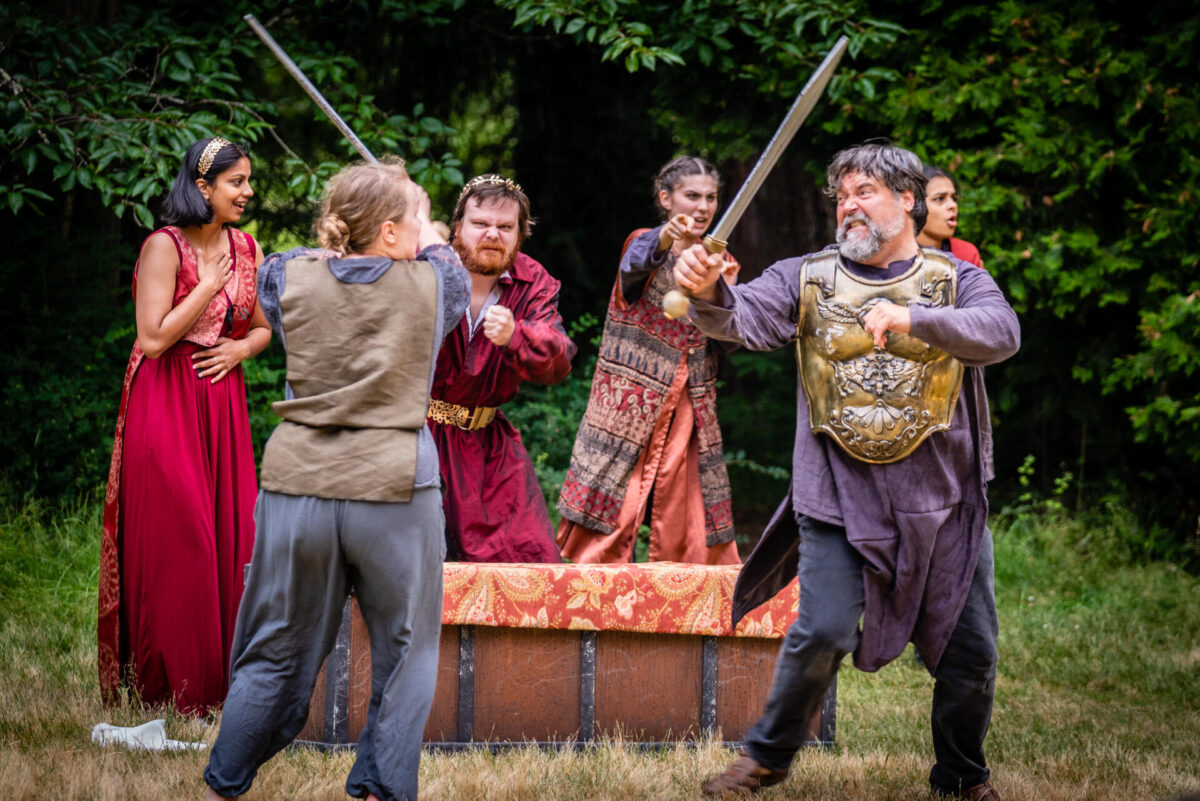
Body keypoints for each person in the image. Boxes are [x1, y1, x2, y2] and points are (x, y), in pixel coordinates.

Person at [675, 142, 1019, 800]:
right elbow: (743, 319)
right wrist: (707, 289)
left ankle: (961, 776)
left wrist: (916, 316)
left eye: (865, 191)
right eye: (842, 195)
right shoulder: (804, 277)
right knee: (824, 627)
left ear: (909, 200)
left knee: (972, 650)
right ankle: (768, 756)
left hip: (942, 499)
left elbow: (1002, 332)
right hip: (838, 495)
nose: (849, 205)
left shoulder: (956, 279)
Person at [203, 159, 469, 801]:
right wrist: (422, 219)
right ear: (387, 232)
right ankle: (379, 789)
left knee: (274, 650)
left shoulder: (287, 273)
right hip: (395, 490)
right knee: (406, 652)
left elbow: (299, 260)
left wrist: (371, 207)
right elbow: (441, 257)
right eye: (413, 221)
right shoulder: (439, 284)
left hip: (300, 488)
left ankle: (220, 788)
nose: (423, 230)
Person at [97, 136, 270, 715]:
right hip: (166, 398)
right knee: (184, 540)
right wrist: (206, 288)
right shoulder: (162, 247)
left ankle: (228, 685)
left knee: (231, 538)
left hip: (222, 401)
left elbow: (265, 329)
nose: (247, 192)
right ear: (202, 188)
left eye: (247, 181)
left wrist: (240, 351)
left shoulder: (248, 247)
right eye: (236, 182)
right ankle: (172, 685)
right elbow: (151, 338)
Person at [557, 156, 741, 565]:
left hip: (689, 401)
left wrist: (718, 289)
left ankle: (686, 607)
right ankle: (591, 605)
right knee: (610, 503)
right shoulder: (643, 241)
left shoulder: (720, 263)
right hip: (627, 400)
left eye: (711, 197)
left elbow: (730, 339)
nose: (703, 206)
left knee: (689, 507)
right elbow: (635, 265)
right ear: (666, 198)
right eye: (692, 195)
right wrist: (664, 237)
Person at [429, 173, 575, 562]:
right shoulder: (426, 267)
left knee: (531, 560)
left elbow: (558, 360)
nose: (492, 234)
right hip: (417, 438)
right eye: (480, 224)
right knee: (413, 563)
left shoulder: (534, 282)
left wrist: (517, 335)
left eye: (505, 227)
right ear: (457, 227)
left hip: (488, 448)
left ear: (520, 234)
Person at [918, 164, 985, 269]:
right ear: (912, 204)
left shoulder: (966, 254)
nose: (953, 205)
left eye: (953, 198)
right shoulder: (892, 255)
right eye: (939, 199)